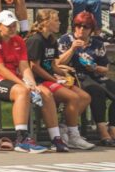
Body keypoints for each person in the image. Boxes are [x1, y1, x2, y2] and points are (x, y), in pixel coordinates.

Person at [0, 10, 61, 153]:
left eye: (14, 25)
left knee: (45, 92)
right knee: (22, 91)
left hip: (12, 78)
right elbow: (0, 69)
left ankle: (56, 139)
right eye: (8, 26)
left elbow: (24, 66)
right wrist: (23, 84)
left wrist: (31, 83)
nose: (12, 28)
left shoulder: (19, 40)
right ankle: (21, 140)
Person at [25, 10, 94, 150]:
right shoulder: (36, 40)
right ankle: (73, 136)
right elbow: (34, 67)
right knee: (73, 97)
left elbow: (52, 64)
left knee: (85, 97)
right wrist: (54, 79)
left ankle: (64, 127)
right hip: (39, 81)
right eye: (56, 20)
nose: (59, 23)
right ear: (46, 22)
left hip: (51, 79)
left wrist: (64, 74)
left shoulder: (51, 40)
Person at [58, 11, 115, 147]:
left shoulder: (97, 43)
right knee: (96, 91)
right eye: (78, 26)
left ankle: (112, 127)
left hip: (95, 75)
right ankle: (102, 131)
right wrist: (72, 49)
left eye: (85, 27)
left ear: (91, 29)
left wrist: (94, 67)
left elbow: (105, 68)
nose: (81, 29)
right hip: (76, 76)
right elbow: (58, 62)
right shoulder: (66, 40)